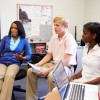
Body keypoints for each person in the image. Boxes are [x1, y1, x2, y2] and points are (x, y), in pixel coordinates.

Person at [44, 22, 100, 100]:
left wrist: (82, 84)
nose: (82, 35)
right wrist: (72, 77)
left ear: (94, 35)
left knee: (61, 93)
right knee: (56, 90)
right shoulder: (86, 47)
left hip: (94, 87)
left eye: (85, 33)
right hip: (83, 82)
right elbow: (86, 69)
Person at [26, 15, 77, 100]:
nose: (54, 27)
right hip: (53, 63)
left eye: (57, 25)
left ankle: (53, 98)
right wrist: (38, 65)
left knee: (51, 76)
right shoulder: (54, 38)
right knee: (31, 71)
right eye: (54, 25)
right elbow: (49, 55)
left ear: (65, 26)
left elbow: (65, 61)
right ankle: (31, 98)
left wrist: (48, 70)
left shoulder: (70, 39)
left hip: (66, 67)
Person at [0, 21, 31, 100]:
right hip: (2, 62)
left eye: (15, 28)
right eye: (12, 28)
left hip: (14, 63)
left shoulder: (24, 41)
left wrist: (22, 58)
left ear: (20, 30)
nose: (13, 30)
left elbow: (29, 55)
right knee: (1, 75)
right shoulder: (5, 38)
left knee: (9, 76)